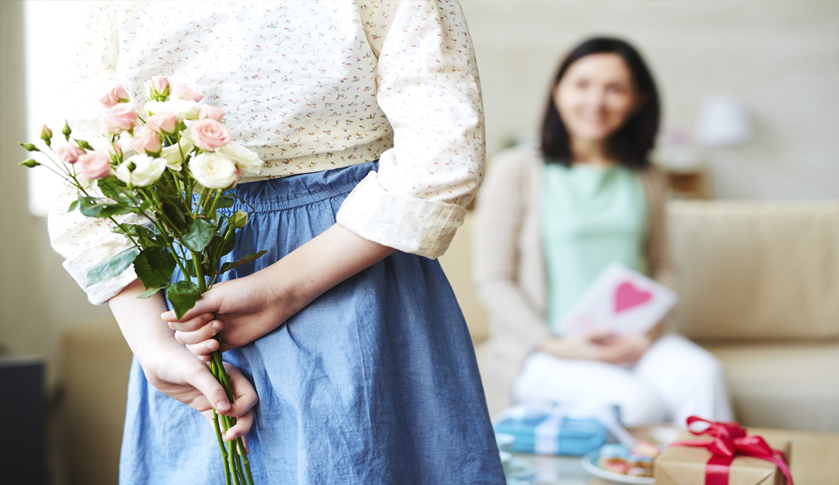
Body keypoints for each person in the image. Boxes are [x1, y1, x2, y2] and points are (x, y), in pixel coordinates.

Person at [48, 2, 505, 483]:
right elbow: (81, 170)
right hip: (192, 309)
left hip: (353, 274)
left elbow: (443, 153)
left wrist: (284, 288)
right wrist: (155, 347)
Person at [473, 37, 733, 427]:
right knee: (636, 403)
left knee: (703, 373)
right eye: (582, 85)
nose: (596, 101)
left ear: (638, 100)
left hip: (632, 341)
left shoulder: (647, 175)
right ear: (558, 90)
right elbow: (494, 279)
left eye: (615, 89)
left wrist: (652, 328)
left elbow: (664, 265)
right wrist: (555, 344)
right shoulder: (517, 169)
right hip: (544, 350)